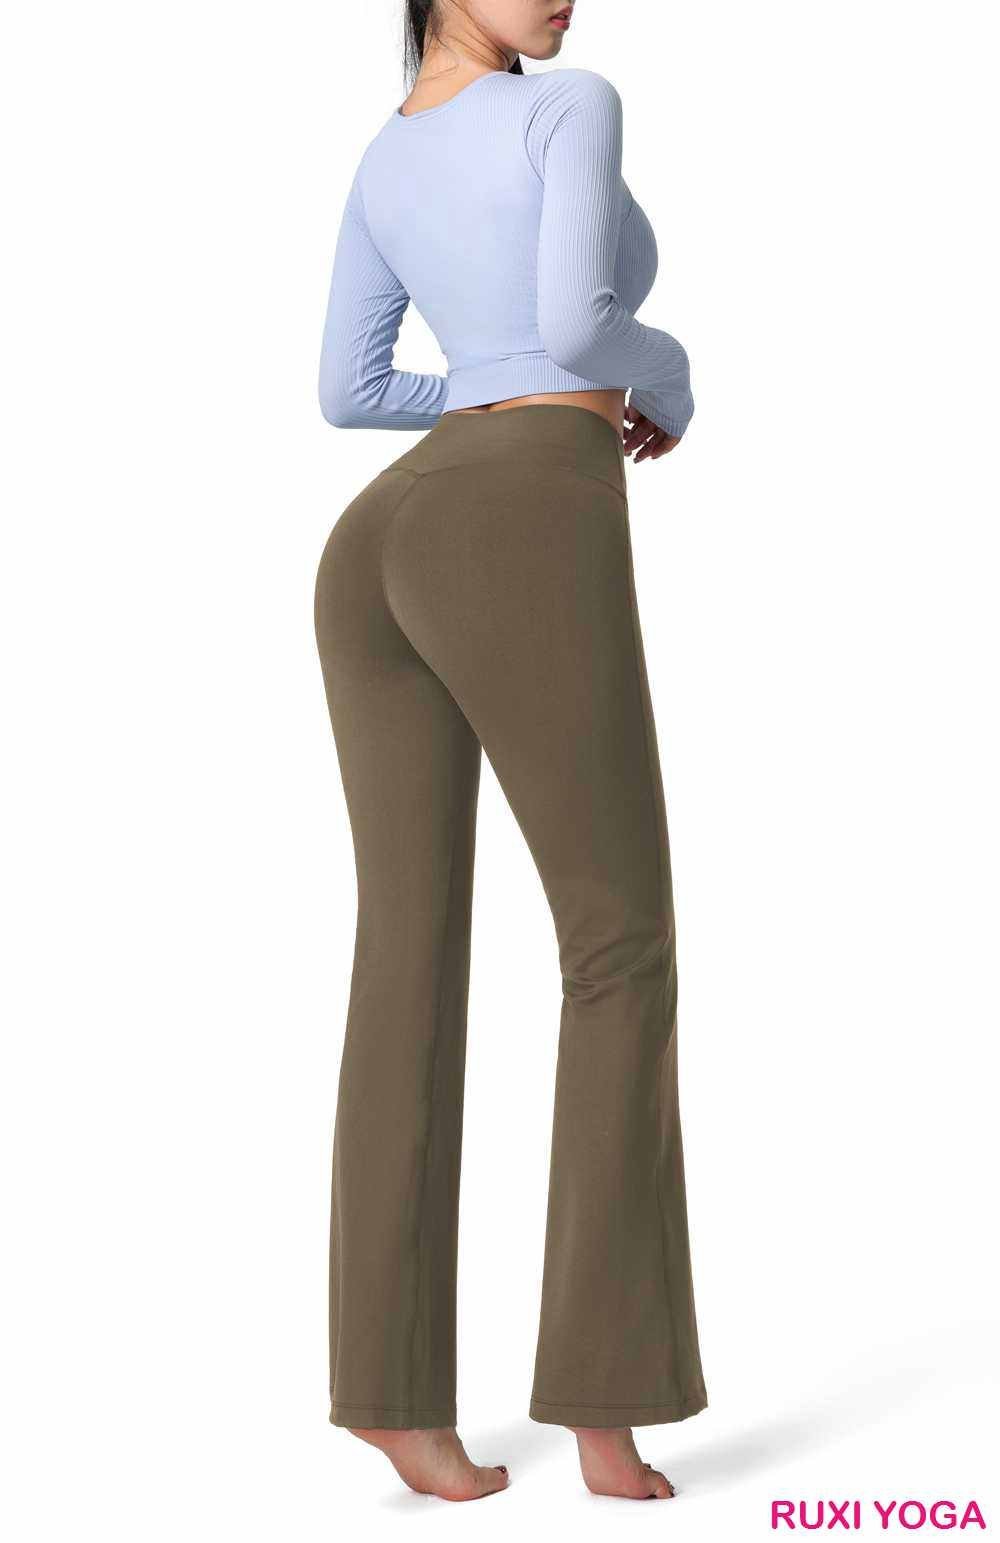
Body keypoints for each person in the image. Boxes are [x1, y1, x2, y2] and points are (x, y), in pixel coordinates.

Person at [313, 0, 708, 1503]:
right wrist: (669, 377)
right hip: (524, 512)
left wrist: (481, 389)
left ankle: (392, 1397)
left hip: (379, 540)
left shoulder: (382, 156)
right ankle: (607, 1406)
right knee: (620, 945)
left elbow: (352, 391)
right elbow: (580, 331)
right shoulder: (568, 103)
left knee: (405, 955)